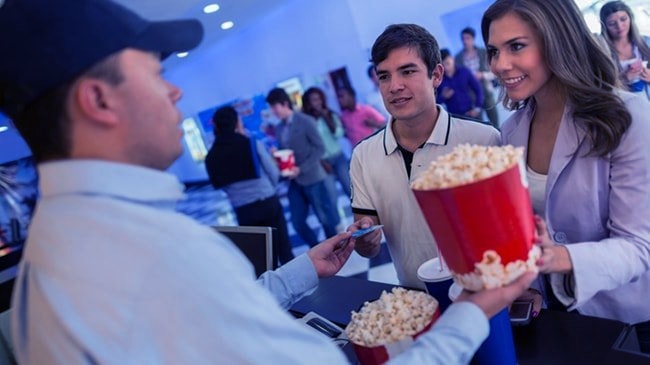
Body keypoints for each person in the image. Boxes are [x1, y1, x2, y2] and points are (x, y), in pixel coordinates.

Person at [0, 0, 537, 363]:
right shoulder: (155, 253)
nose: (176, 93)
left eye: (408, 72)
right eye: (155, 72)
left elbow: (211, 312)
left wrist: (301, 270)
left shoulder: (56, 251)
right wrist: (470, 314)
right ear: (98, 100)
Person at [482, 0, 650, 350]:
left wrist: (559, 257)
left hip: (625, 320)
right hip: (555, 311)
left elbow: (639, 247)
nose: (500, 64)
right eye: (494, 51)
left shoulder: (627, 116)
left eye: (516, 46)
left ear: (557, 40)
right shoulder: (512, 130)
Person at [348, 23, 500, 290]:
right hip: (414, 302)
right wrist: (364, 239)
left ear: (437, 75)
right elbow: (367, 246)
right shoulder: (363, 156)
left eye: (408, 71)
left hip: (487, 292)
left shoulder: (482, 140)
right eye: (384, 76)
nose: (394, 86)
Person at [204, 106, 295, 266]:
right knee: (284, 250)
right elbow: (272, 171)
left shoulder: (211, 156)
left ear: (216, 127)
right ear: (235, 124)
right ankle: (300, 289)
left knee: (263, 258)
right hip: (267, 202)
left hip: (244, 210)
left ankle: (271, 289)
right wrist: (270, 189)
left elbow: (221, 186)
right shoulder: (251, 144)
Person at [265, 87, 340, 246]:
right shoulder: (279, 128)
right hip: (294, 181)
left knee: (324, 217)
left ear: (285, 103)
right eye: (271, 108)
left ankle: (336, 250)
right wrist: (276, 154)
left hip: (313, 177)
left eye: (274, 107)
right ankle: (316, 249)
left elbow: (319, 148)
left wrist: (301, 168)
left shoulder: (305, 121)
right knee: (297, 222)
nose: (273, 111)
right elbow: (286, 151)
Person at [302, 87, 351, 201]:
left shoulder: (331, 115)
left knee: (350, 190)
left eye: (319, 99)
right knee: (331, 195)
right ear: (308, 103)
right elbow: (308, 145)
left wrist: (325, 116)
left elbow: (338, 134)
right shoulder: (307, 122)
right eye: (314, 100)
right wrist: (321, 161)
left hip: (338, 157)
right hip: (322, 162)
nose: (318, 102)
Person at [598, 1, 650, 99]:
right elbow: (600, 88)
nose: (619, 26)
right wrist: (622, 80)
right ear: (604, 26)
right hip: (625, 105)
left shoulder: (647, 42)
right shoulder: (602, 52)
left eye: (623, 19)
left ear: (630, 18)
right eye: (612, 23)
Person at [455, 26, 500, 128]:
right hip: (471, 96)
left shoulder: (483, 52)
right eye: (463, 39)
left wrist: (482, 75)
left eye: (467, 38)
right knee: (479, 127)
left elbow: (495, 72)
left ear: (473, 39)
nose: (465, 41)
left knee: (495, 121)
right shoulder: (458, 58)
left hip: (487, 91)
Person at [437, 48, 484, 119]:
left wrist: (477, 108)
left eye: (447, 63)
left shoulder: (464, 71)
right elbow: (435, 102)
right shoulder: (439, 79)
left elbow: (478, 89)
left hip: (471, 113)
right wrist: (443, 97)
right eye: (443, 65)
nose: (446, 68)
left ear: (452, 59)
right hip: (455, 118)